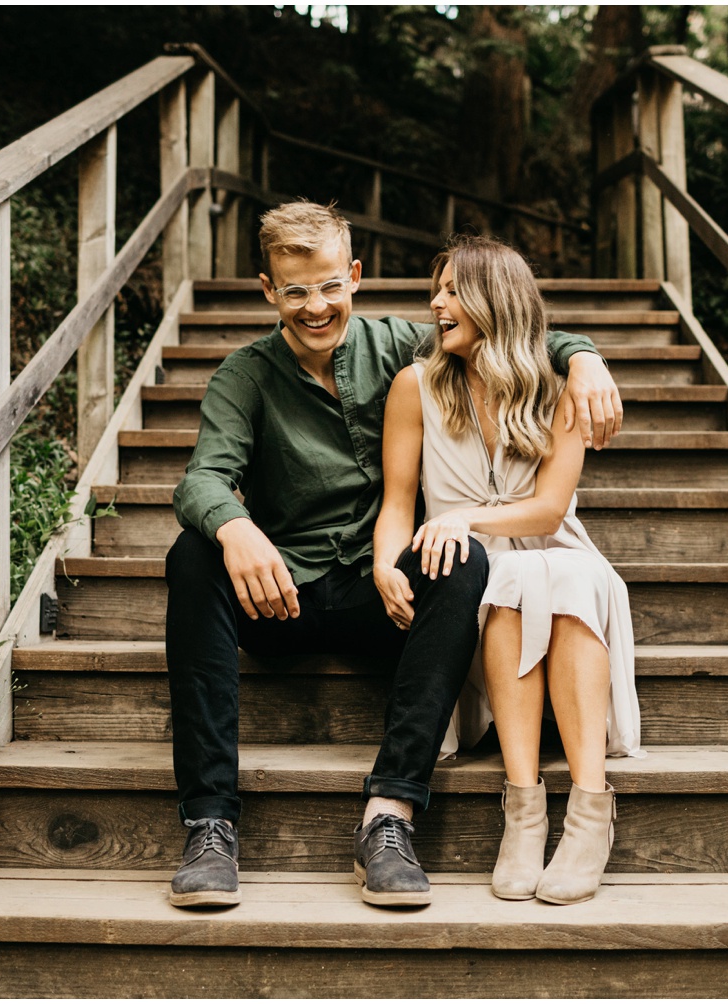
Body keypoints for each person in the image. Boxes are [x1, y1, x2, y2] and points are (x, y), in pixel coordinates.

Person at [166, 202, 623, 909]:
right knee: (193, 554)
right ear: (268, 291)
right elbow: (200, 476)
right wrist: (235, 526)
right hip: (279, 596)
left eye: (327, 286)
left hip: (383, 600)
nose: (315, 307)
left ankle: (390, 817)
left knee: (463, 560)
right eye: (294, 292)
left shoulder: (402, 346)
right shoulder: (245, 376)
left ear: (353, 276)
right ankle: (209, 824)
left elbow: (502, 323)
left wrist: (584, 354)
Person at [373, 235, 641, 907]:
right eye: (436, 290)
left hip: (552, 559)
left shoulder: (561, 390)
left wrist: (465, 518)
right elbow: (398, 504)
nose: (436, 303)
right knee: (508, 580)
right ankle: (523, 812)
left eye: (453, 290)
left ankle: (589, 808)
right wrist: (385, 563)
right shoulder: (416, 387)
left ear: (496, 301)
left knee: (563, 575)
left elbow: (550, 510)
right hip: (465, 580)